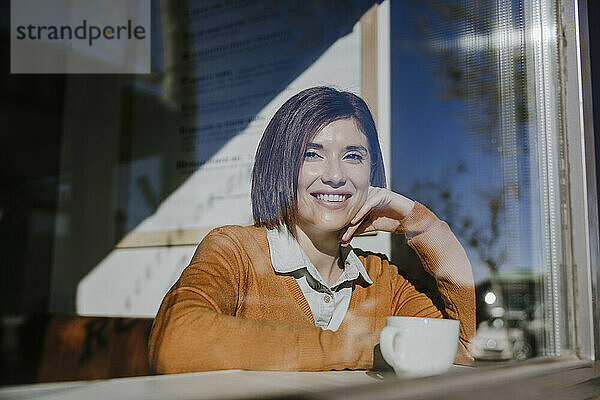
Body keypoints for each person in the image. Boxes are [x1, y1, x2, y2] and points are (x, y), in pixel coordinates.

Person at [148, 86, 475, 373]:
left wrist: (422, 224)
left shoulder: (383, 279)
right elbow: (175, 341)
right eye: (312, 154)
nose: (335, 175)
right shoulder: (234, 249)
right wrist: (366, 349)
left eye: (352, 156)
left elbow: (462, 349)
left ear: (371, 174)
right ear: (282, 166)